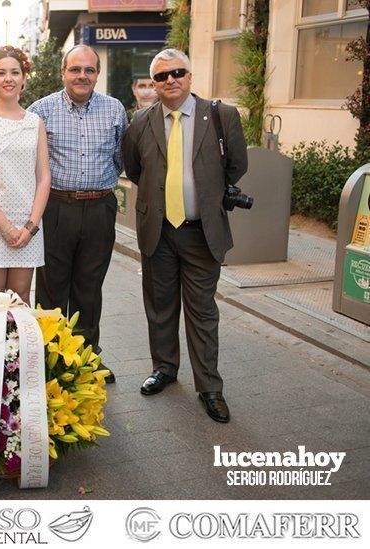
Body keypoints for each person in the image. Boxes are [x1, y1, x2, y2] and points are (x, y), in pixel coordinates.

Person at [122, 48, 248, 423]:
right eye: (161, 76)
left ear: (190, 76)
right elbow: (135, 170)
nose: (170, 80)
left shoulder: (222, 116)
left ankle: (209, 387)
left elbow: (237, 165)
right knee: (159, 308)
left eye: (178, 72)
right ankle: (164, 368)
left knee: (203, 312)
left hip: (201, 233)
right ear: (154, 84)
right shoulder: (140, 122)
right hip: (158, 232)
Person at [27, 45, 127, 384]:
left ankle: (86, 360)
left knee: (89, 288)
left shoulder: (114, 110)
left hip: (99, 207)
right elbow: (31, 165)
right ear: (63, 72)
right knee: (52, 289)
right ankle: (51, 361)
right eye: (75, 69)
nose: (81, 76)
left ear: (97, 74)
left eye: (89, 70)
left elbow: (120, 158)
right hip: (56, 208)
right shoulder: (41, 111)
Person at [0, 46, 50, 304]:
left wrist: (31, 226)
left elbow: (44, 176)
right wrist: (4, 226)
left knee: (21, 298)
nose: (8, 78)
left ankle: (21, 347)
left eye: (15, 72)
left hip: (27, 222)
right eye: (1, 73)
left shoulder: (35, 121)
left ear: (25, 78)